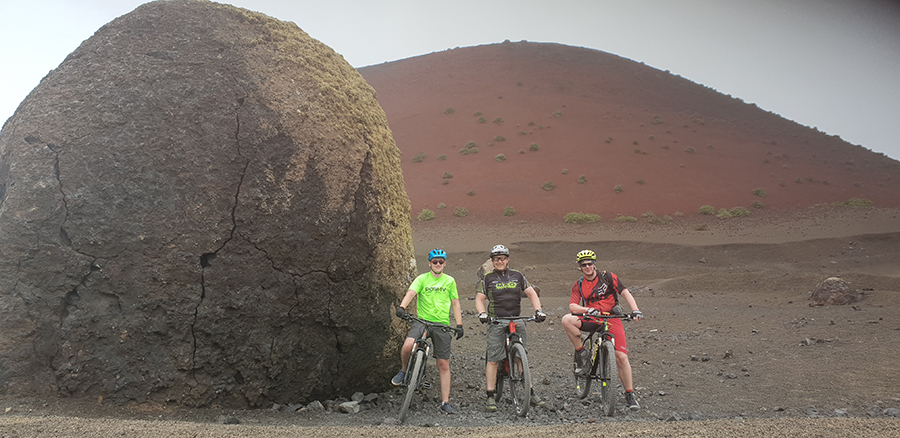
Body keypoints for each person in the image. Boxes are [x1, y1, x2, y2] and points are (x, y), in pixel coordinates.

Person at [560, 249, 644, 411]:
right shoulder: (578, 284)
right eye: (583, 265)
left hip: (611, 318)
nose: (587, 267)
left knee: (621, 357)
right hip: (592, 317)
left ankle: (629, 394)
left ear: (594, 264)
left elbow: (625, 292)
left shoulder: (608, 277)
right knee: (567, 319)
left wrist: (635, 310)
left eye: (590, 263)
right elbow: (572, 306)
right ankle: (582, 352)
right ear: (580, 267)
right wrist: (587, 310)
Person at [475, 244, 547, 412]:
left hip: (517, 319)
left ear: (507, 260)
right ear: (492, 261)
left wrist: (539, 311)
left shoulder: (518, 276)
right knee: (493, 359)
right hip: (496, 320)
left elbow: (531, 293)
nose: (500, 261)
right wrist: (482, 313)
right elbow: (479, 299)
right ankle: (490, 395)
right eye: (496, 259)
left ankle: (530, 392)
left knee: (522, 357)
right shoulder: (487, 278)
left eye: (502, 258)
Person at [392, 248, 464, 414]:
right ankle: (404, 371)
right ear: (429, 263)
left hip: (442, 324)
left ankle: (445, 401)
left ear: (444, 263)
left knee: (443, 364)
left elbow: (456, 303)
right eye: (434, 262)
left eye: (440, 262)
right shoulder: (422, 279)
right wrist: (402, 307)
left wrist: (459, 324)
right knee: (408, 346)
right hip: (422, 321)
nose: (438, 264)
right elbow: (411, 292)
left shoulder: (450, 281)